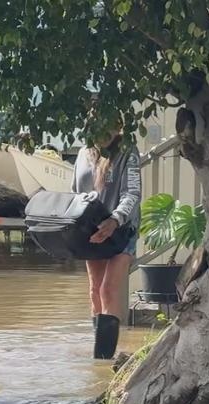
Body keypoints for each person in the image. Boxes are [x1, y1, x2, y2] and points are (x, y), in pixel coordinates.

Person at [75, 128, 141, 359]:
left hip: (121, 230)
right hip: (90, 231)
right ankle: (99, 362)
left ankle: (104, 361)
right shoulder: (83, 153)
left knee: (108, 289)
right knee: (94, 290)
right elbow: (76, 193)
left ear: (118, 126)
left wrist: (115, 220)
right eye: (97, 124)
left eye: (109, 124)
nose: (103, 130)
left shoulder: (128, 152)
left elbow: (132, 193)